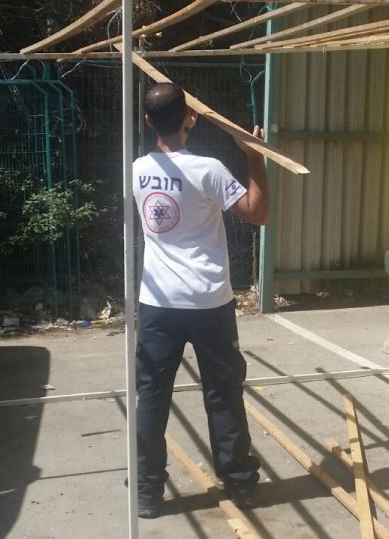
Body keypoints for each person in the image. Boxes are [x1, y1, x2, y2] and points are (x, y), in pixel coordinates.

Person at [131, 82, 268, 519]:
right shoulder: (209, 170)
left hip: (157, 302)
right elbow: (257, 212)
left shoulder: (137, 170)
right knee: (223, 393)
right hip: (209, 302)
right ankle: (240, 484)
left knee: (152, 396)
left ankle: (147, 492)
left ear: (148, 120)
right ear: (190, 117)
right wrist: (254, 158)